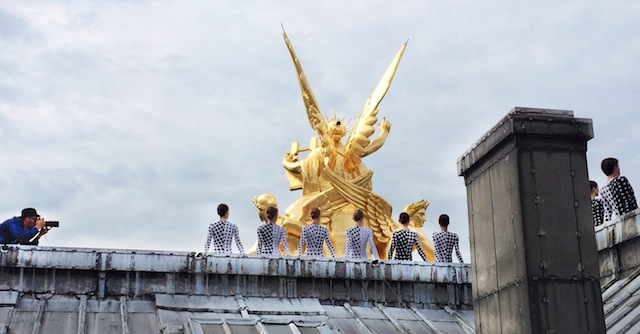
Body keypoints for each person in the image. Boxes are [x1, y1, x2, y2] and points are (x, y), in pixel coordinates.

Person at [600, 157, 638, 222]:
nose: (619, 169)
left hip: (619, 220)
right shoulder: (621, 180)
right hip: (632, 217)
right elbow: (629, 200)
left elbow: (607, 212)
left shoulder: (603, 190)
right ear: (615, 167)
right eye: (618, 166)